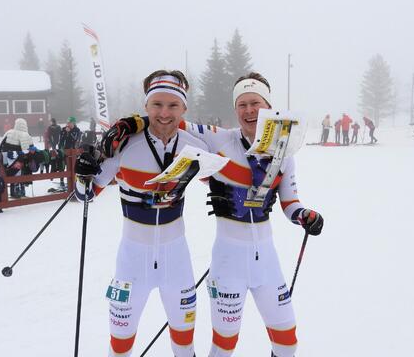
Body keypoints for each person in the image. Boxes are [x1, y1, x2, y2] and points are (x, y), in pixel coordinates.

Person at [102, 72, 324, 357]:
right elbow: (168, 118)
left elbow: (290, 204)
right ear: (235, 109)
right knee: (224, 345)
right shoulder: (218, 139)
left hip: (268, 263)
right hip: (229, 261)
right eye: (242, 104)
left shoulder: (284, 151)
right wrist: (130, 122)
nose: (249, 110)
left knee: (287, 341)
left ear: (268, 106)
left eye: (255, 102)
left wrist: (304, 215)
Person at [75, 70, 206, 357]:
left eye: (173, 105)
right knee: (121, 344)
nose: (164, 113)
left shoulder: (195, 146)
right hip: (132, 262)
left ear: (184, 108)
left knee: (184, 343)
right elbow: (84, 194)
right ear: (146, 107)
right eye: (157, 104)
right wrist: (83, 171)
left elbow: (225, 178)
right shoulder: (125, 145)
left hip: (177, 262)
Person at [0, 118, 34, 198]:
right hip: (20, 159)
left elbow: (1, 145)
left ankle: (13, 192)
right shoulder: (26, 135)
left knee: (11, 174)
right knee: (20, 174)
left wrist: (0, 156)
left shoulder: (9, 132)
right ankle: (20, 191)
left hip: (7, 159)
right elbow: (31, 149)